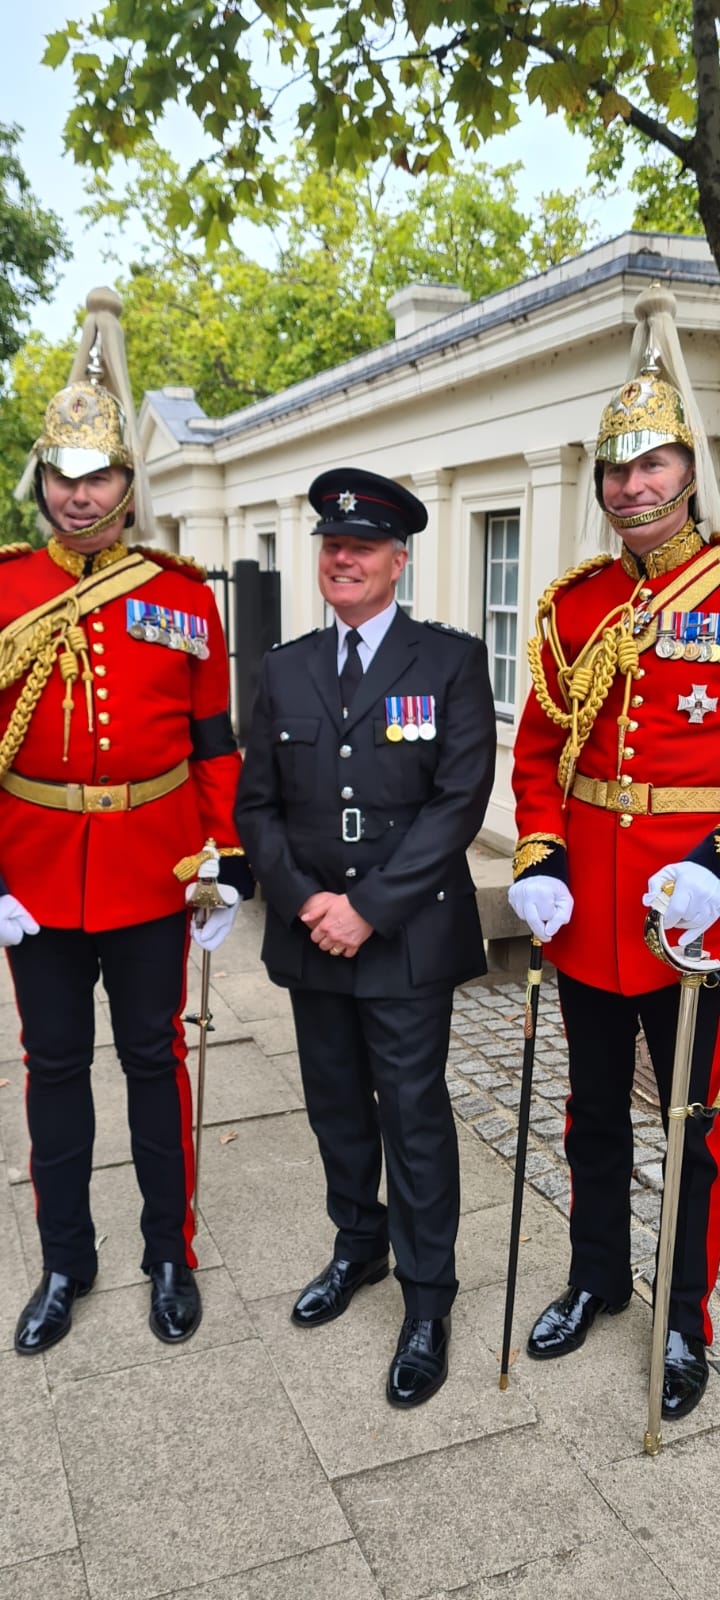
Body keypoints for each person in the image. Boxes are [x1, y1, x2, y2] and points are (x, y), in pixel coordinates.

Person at [4, 287, 252, 1355]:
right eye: (63, 476)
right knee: (52, 1070)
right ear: (43, 482)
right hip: (38, 873)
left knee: (156, 1063)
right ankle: (68, 1258)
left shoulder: (185, 597)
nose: (79, 494)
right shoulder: (7, 591)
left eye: (99, 474)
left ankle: (169, 1250)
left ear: (128, 482)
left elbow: (212, 745)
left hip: (155, 871)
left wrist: (226, 861)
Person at [235, 468, 496, 1406]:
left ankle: (429, 1296)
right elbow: (256, 802)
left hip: (405, 933)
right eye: (329, 545)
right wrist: (304, 900)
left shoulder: (450, 662)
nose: (341, 558)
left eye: (361, 546)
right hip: (313, 932)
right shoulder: (285, 666)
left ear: (399, 559)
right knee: (336, 1104)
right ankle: (360, 1246)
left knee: (414, 1116)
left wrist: (368, 908)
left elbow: (458, 801)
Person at [508, 283, 720, 1421]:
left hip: (697, 914)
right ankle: (595, 1273)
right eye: (616, 468)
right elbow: (542, 747)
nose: (633, 485)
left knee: (693, 1123)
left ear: (687, 468)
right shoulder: (573, 605)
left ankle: (684, 1312)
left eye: (654, 463)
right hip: (589, 905)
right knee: (591, 1110)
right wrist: (539, 858)